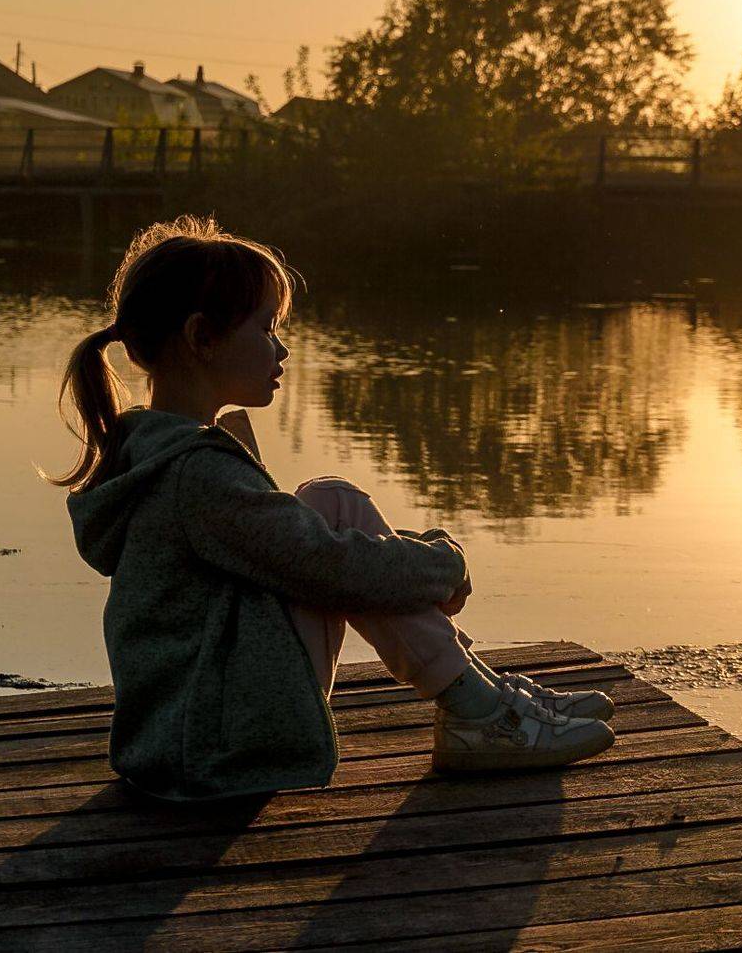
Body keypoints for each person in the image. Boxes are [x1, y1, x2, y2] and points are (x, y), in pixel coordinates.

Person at [49, 215, 615, 801]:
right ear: (203, 338)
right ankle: (480, 709)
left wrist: (411, 561)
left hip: (188, 729)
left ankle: (480, 696)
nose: (282, 347)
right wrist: (442, 564)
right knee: (345, 553)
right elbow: (330, 567)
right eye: (266, 328)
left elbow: (309, 550)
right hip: (210, 748)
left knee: (330, 501)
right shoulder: (197, 474)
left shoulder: (157, 451)